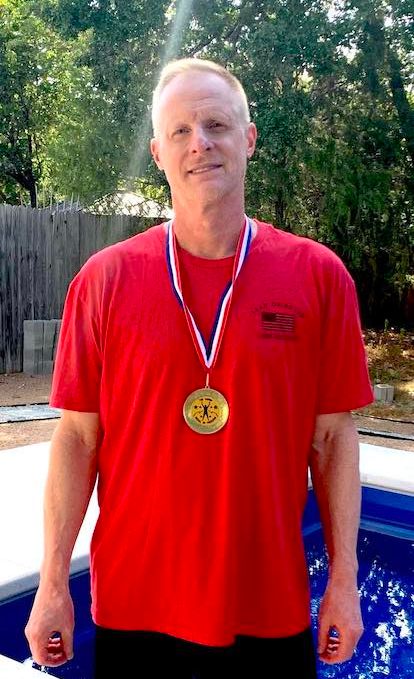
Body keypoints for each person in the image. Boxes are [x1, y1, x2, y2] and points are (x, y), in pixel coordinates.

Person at [25, 58, 374, 678]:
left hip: (268, 605)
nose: (200, 143)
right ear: (158, 152)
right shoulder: (103, 281)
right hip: (135, 605)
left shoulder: (319, 277)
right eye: (180, 131)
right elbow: (77, 439)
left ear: (249, 138)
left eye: (216, 124)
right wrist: (52, 582)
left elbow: (332, 438)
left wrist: (343, 581)